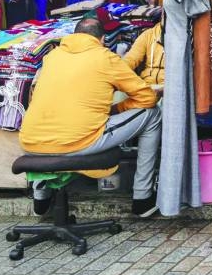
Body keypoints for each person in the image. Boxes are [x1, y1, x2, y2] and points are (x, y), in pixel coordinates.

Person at [19, 16, 161, 218]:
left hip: (30, 143)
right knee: (152, 114)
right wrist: (117, 109)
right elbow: (147, 97)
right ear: (102, 40)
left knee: (49, 125)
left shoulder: (51, 57)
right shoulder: (105, 57)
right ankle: (143, 199)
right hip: (76, 142)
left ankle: (41, 198)